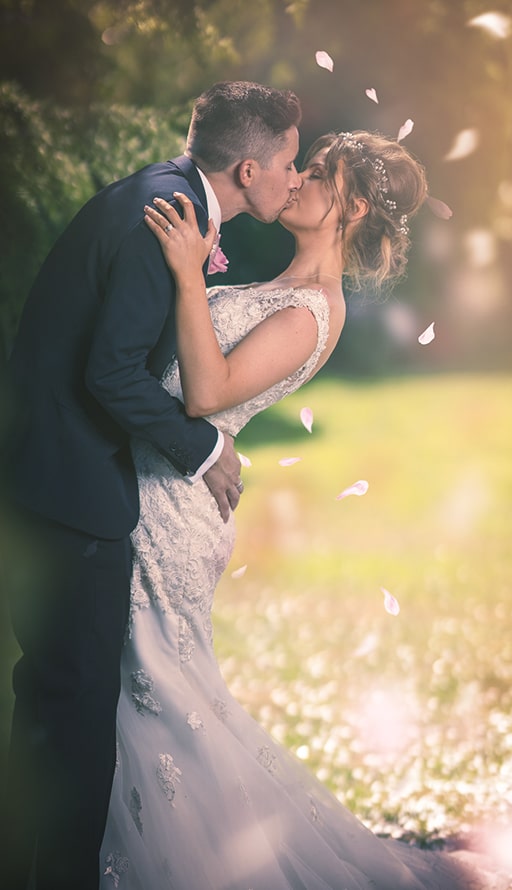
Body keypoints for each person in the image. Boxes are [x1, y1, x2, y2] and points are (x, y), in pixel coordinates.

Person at [99, 132, 488, 888]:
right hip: (158, 485)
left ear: (353, 207)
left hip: (173, 507)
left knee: (154, 697)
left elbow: (208, 395)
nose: (300, 181)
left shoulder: (313, 311)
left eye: (319, 175)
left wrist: (186, 275)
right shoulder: (282, 284)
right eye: (304, 168)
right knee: (146, 695)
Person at [2, 81, 302, 890]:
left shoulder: (164, 198)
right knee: (75, 724)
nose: (294, 179)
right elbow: (112, 374)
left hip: (45, 484)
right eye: (290, 164)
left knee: (49, 712)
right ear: (250, 168)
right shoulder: (164, 217)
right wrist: (205, 448)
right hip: (73, 499)